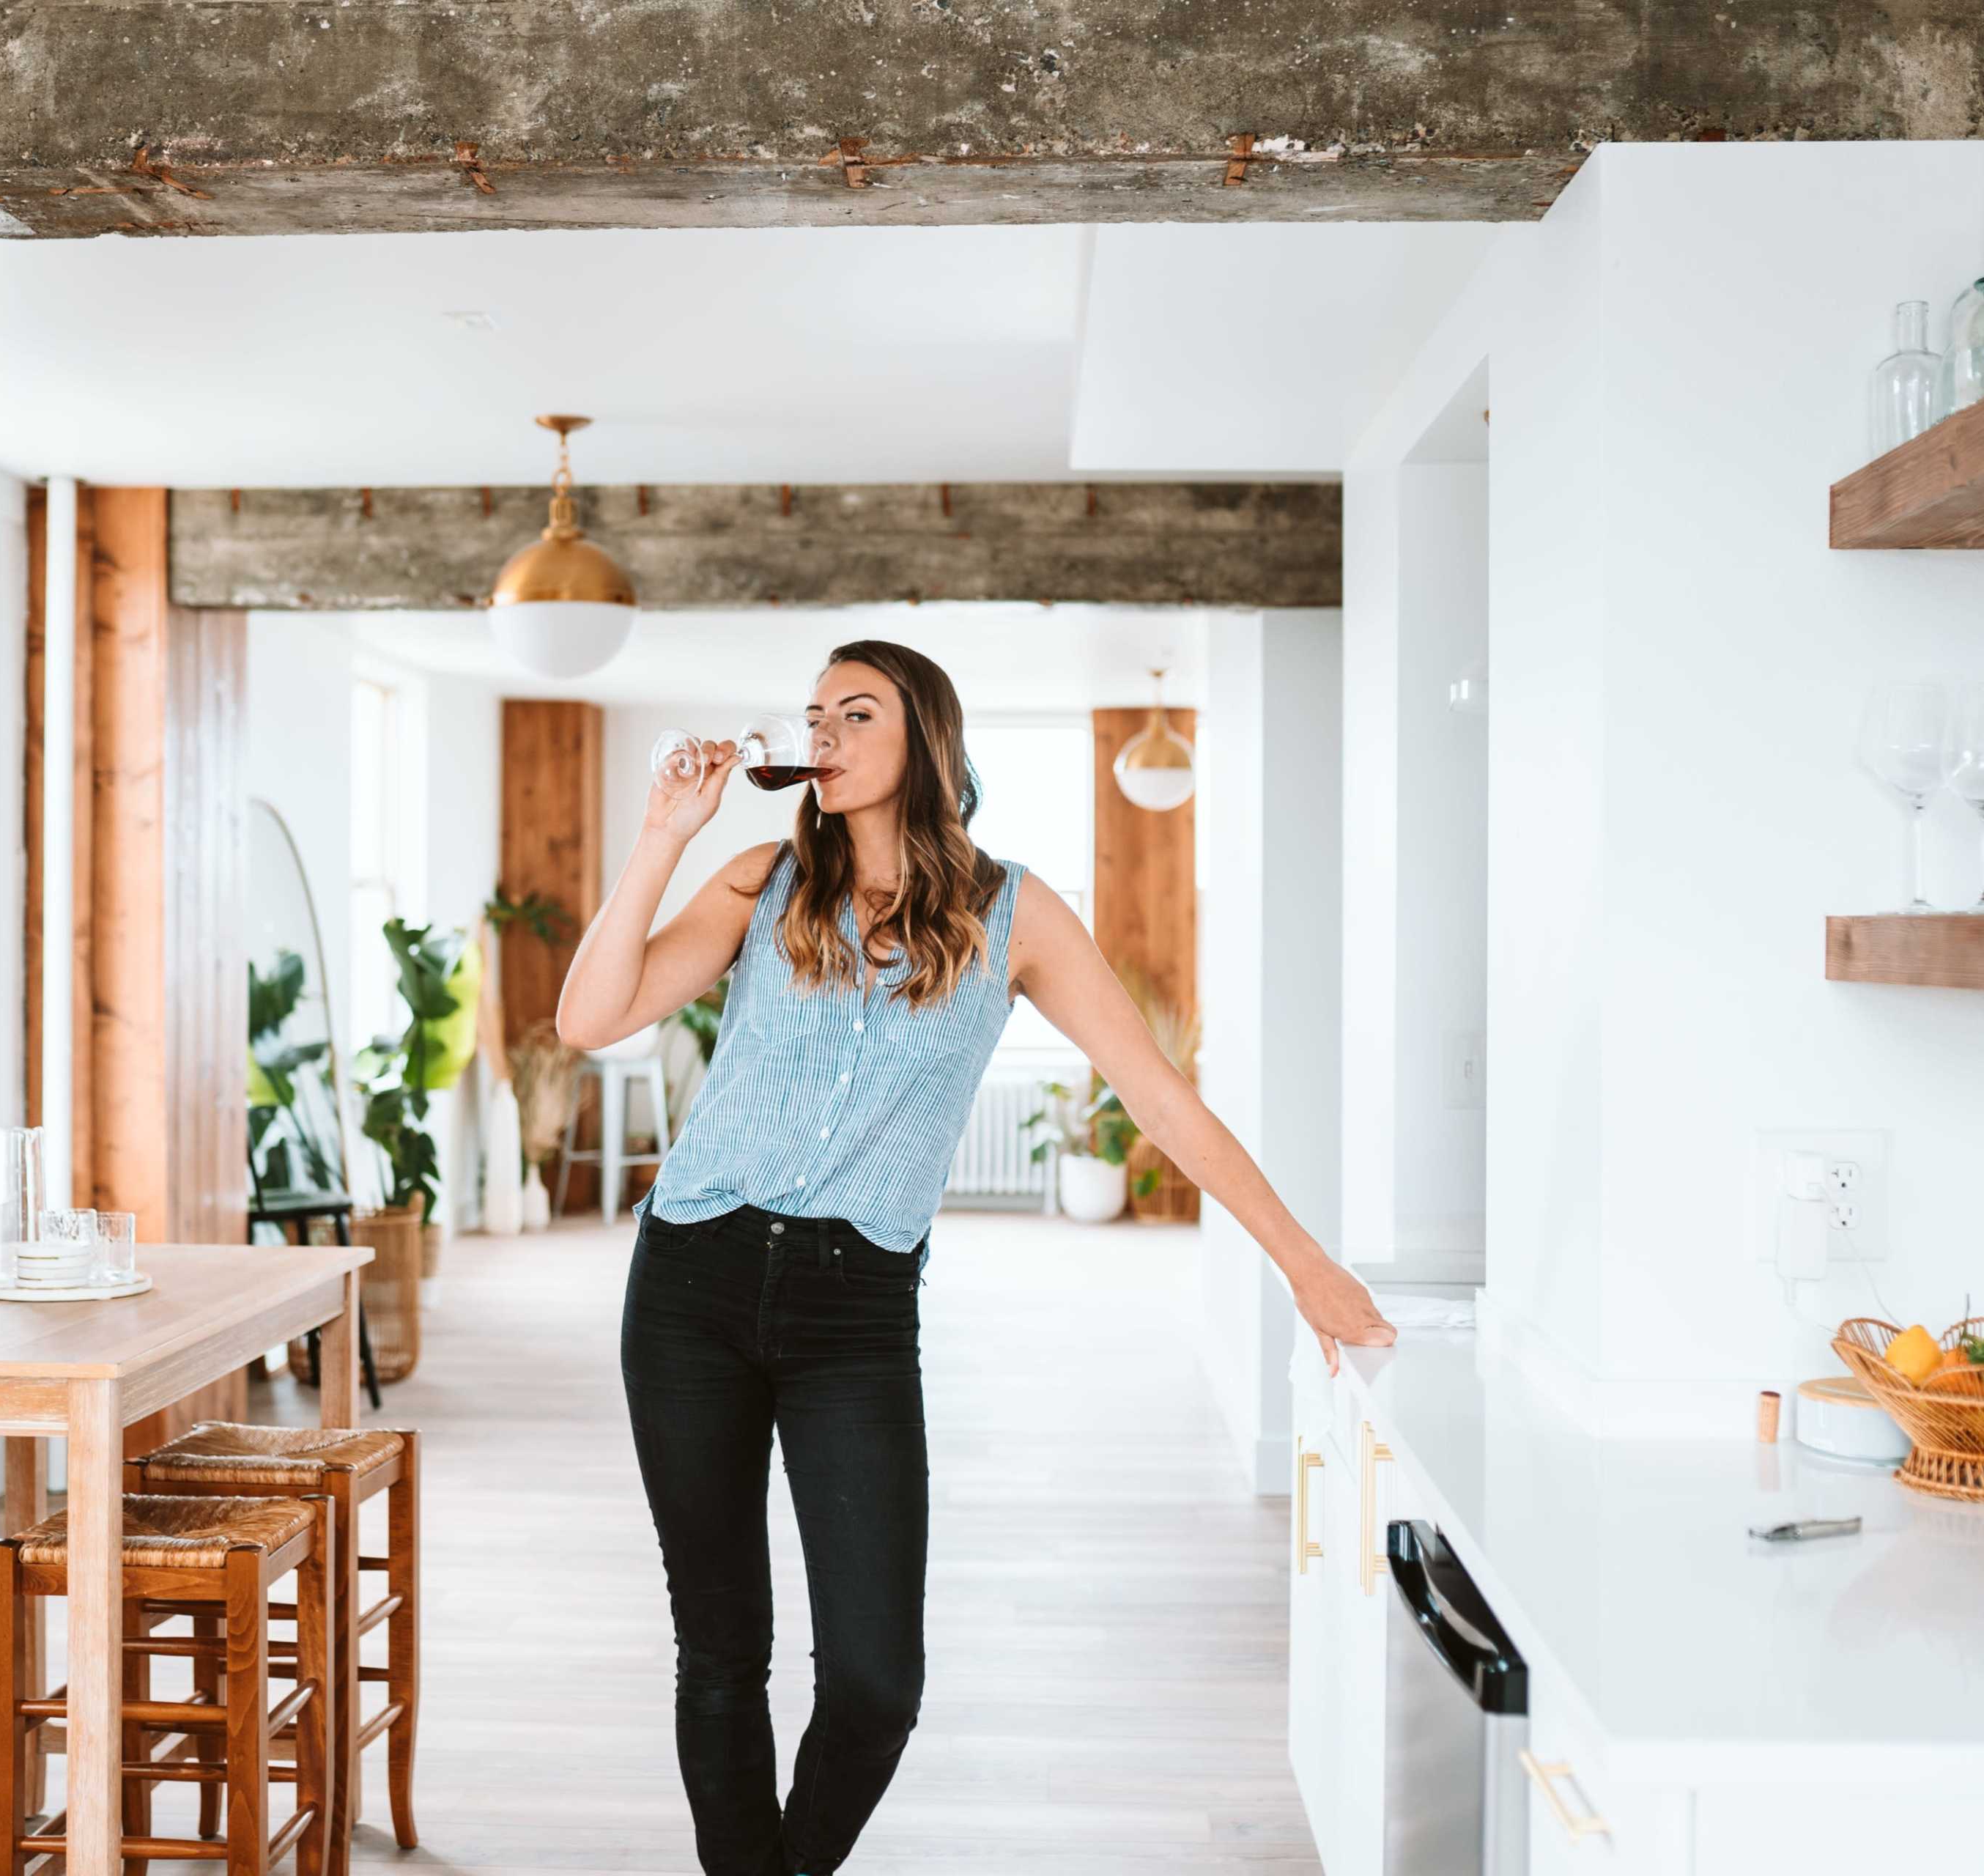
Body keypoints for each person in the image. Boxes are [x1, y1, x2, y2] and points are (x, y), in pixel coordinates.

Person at [556, 639, 1396, 1876]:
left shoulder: (1016, 915)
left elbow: (1161, 1100)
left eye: (857, 714)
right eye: (814, 717)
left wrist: (1304, 1265)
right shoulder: (762, 877)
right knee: (722, 1647)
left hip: (854, 1312)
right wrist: (658, 838)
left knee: (878, 1682)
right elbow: (589, 1019)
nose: (824, 737)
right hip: (691, 1285)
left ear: (925, 742)